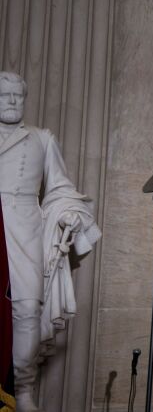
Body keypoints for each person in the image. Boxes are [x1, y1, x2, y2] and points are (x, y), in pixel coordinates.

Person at [0, 71, 101, 412]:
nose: (13, 101)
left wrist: (69, 213)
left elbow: (60, 187)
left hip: (24, 228)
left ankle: (22, 387)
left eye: (18, 95)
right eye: (5, 95)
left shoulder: (41, 138)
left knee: (28, 308)